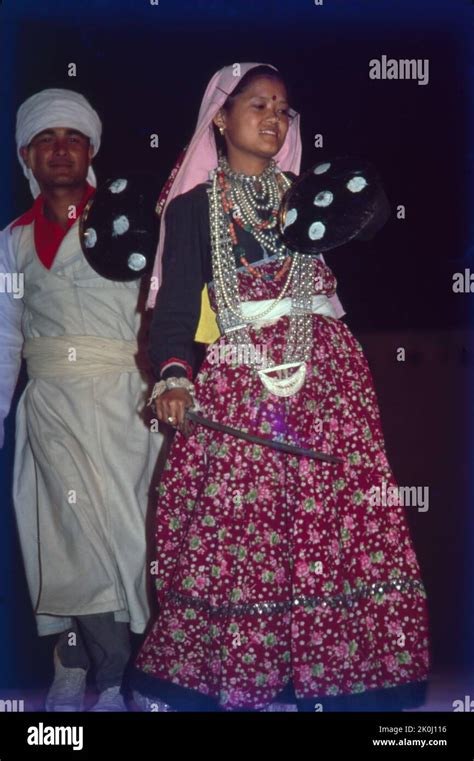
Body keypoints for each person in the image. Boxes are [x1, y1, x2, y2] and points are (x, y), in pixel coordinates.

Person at [130, 63, 430, 712]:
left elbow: (372, 221)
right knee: (243, 521)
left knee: (336, 520)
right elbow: (176, 310)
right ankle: (240, 672)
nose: (274, 117)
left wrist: (361, 202)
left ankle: (332, 675)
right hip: (243, 373)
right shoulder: (189, 209)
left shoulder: (307, 196)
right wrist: (174, 376)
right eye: (258, 104)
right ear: (220, 116)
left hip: (327, 376)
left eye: (284, 109)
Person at [0, 88, 163, 711]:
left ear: (91, 151)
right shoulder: (12, 242)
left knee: (130, 538)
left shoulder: (134, 220)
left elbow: (162, 309)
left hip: (128, 401)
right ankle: (80, 668)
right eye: (47, 139)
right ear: (27, 156)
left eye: (72, 138)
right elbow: (8, 334)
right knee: (68, 539)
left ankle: (130, 674)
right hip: (50, 409)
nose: (60, 149)